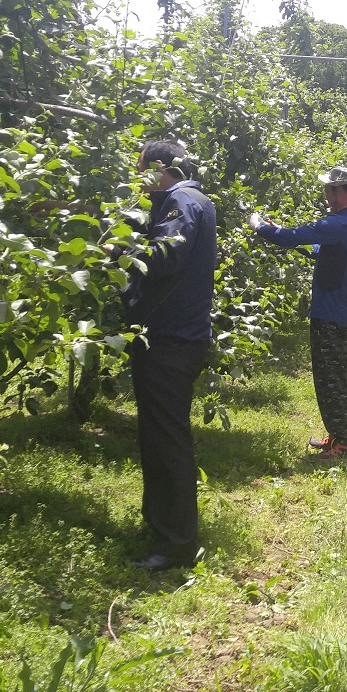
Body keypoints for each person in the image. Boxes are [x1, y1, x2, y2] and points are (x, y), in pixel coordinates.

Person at [121, 140, 217, 570]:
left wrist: (117, 251)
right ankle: (162, 525)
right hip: (174, 336)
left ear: (159, 167)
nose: (137, 178)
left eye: (140, 169)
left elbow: (166, 255)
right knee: (160, 436)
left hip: (169, 338)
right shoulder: (194, 198)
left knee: (166, 440)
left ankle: (176, 544)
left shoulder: (181, 200)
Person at [249, 166, 347, 459]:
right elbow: (328, 252)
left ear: (340, 190)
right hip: (346, 314)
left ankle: (341, 445)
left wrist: (260, 226)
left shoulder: (338, 224)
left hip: (330, 315)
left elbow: (291, 236)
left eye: (328, 189)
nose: (325, 194)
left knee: (329, 381)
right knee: (341, 379)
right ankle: (338, 436)